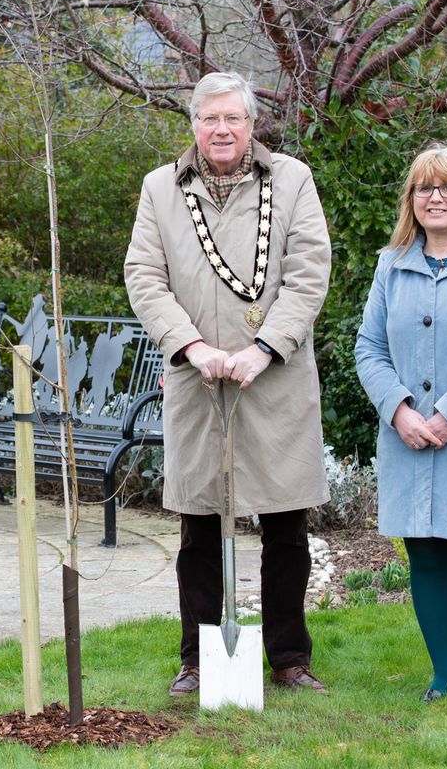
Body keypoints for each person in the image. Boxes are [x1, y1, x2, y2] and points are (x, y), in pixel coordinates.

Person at [124, 72, 331, 697]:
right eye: (209, 119)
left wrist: (266, 347)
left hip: (277, 382)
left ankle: (290, 658)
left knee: (286, 526)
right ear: (193, 124)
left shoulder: (291, 180)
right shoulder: (161, 188)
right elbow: (144, 274)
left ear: (251, 124)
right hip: (198, 382)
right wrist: (191, 346)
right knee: (199, 529)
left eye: (233, 120)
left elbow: (309, 269)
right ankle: (198, 657)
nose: (221, 130)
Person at [355, 145, 447, 703]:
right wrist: (399, 409)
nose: (434, 197)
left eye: (445, 186)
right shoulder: (390, 264)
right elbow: (369, 347)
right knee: (428, 556)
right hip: (408, 439)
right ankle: (444, 676)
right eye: (423, 188)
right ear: (411, 200)